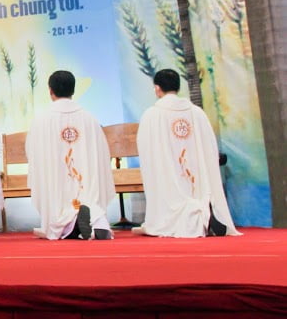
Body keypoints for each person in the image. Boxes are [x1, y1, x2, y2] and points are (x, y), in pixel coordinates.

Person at [134, 69, 239, 238]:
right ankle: (204, 213)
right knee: (197, 192)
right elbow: (210, 146)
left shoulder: (152, 115)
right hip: (196, 176)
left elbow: (146, 149)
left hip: (168, 175)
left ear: (157, 88)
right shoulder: (197, 112)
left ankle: (196, 217)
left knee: (170, 203)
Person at [26, 71, 115, 240]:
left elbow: (33, 152)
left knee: (57, 210)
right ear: (73, 90)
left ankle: (70, 225)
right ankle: (98, 223)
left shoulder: (42, 119)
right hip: (85, 180)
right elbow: (102, 152)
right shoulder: (89, 118)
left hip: (55, 182)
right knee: (88, 199)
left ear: (50, 90)